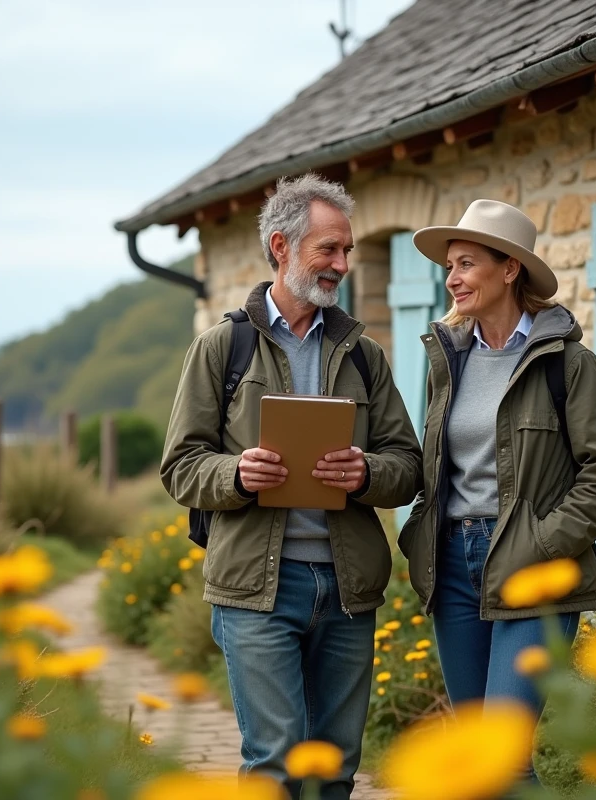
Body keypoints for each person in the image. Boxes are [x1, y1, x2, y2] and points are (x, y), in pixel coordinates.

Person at [161, 173, 422, 799]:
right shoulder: (222, 348)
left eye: (347, 250)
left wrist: (365, 472)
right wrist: (236, 474)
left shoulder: (364, 355)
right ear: (281, 247)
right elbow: (180, 466)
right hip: (256, 589)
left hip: (347, 589)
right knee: (274, 764)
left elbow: (408, 464)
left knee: (335, 768)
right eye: (329, 249)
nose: (342, 264)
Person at [398, 199, 596, 775]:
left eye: (466, 264)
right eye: (449, 267)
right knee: (479, 761)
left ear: (509, 269)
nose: (452, 279)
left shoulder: (567, 364)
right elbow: (439, 467)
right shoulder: (449, 362)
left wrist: (542, 545)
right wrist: (421, 532)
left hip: (534, 571)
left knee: (505, 761)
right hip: (454, 568)